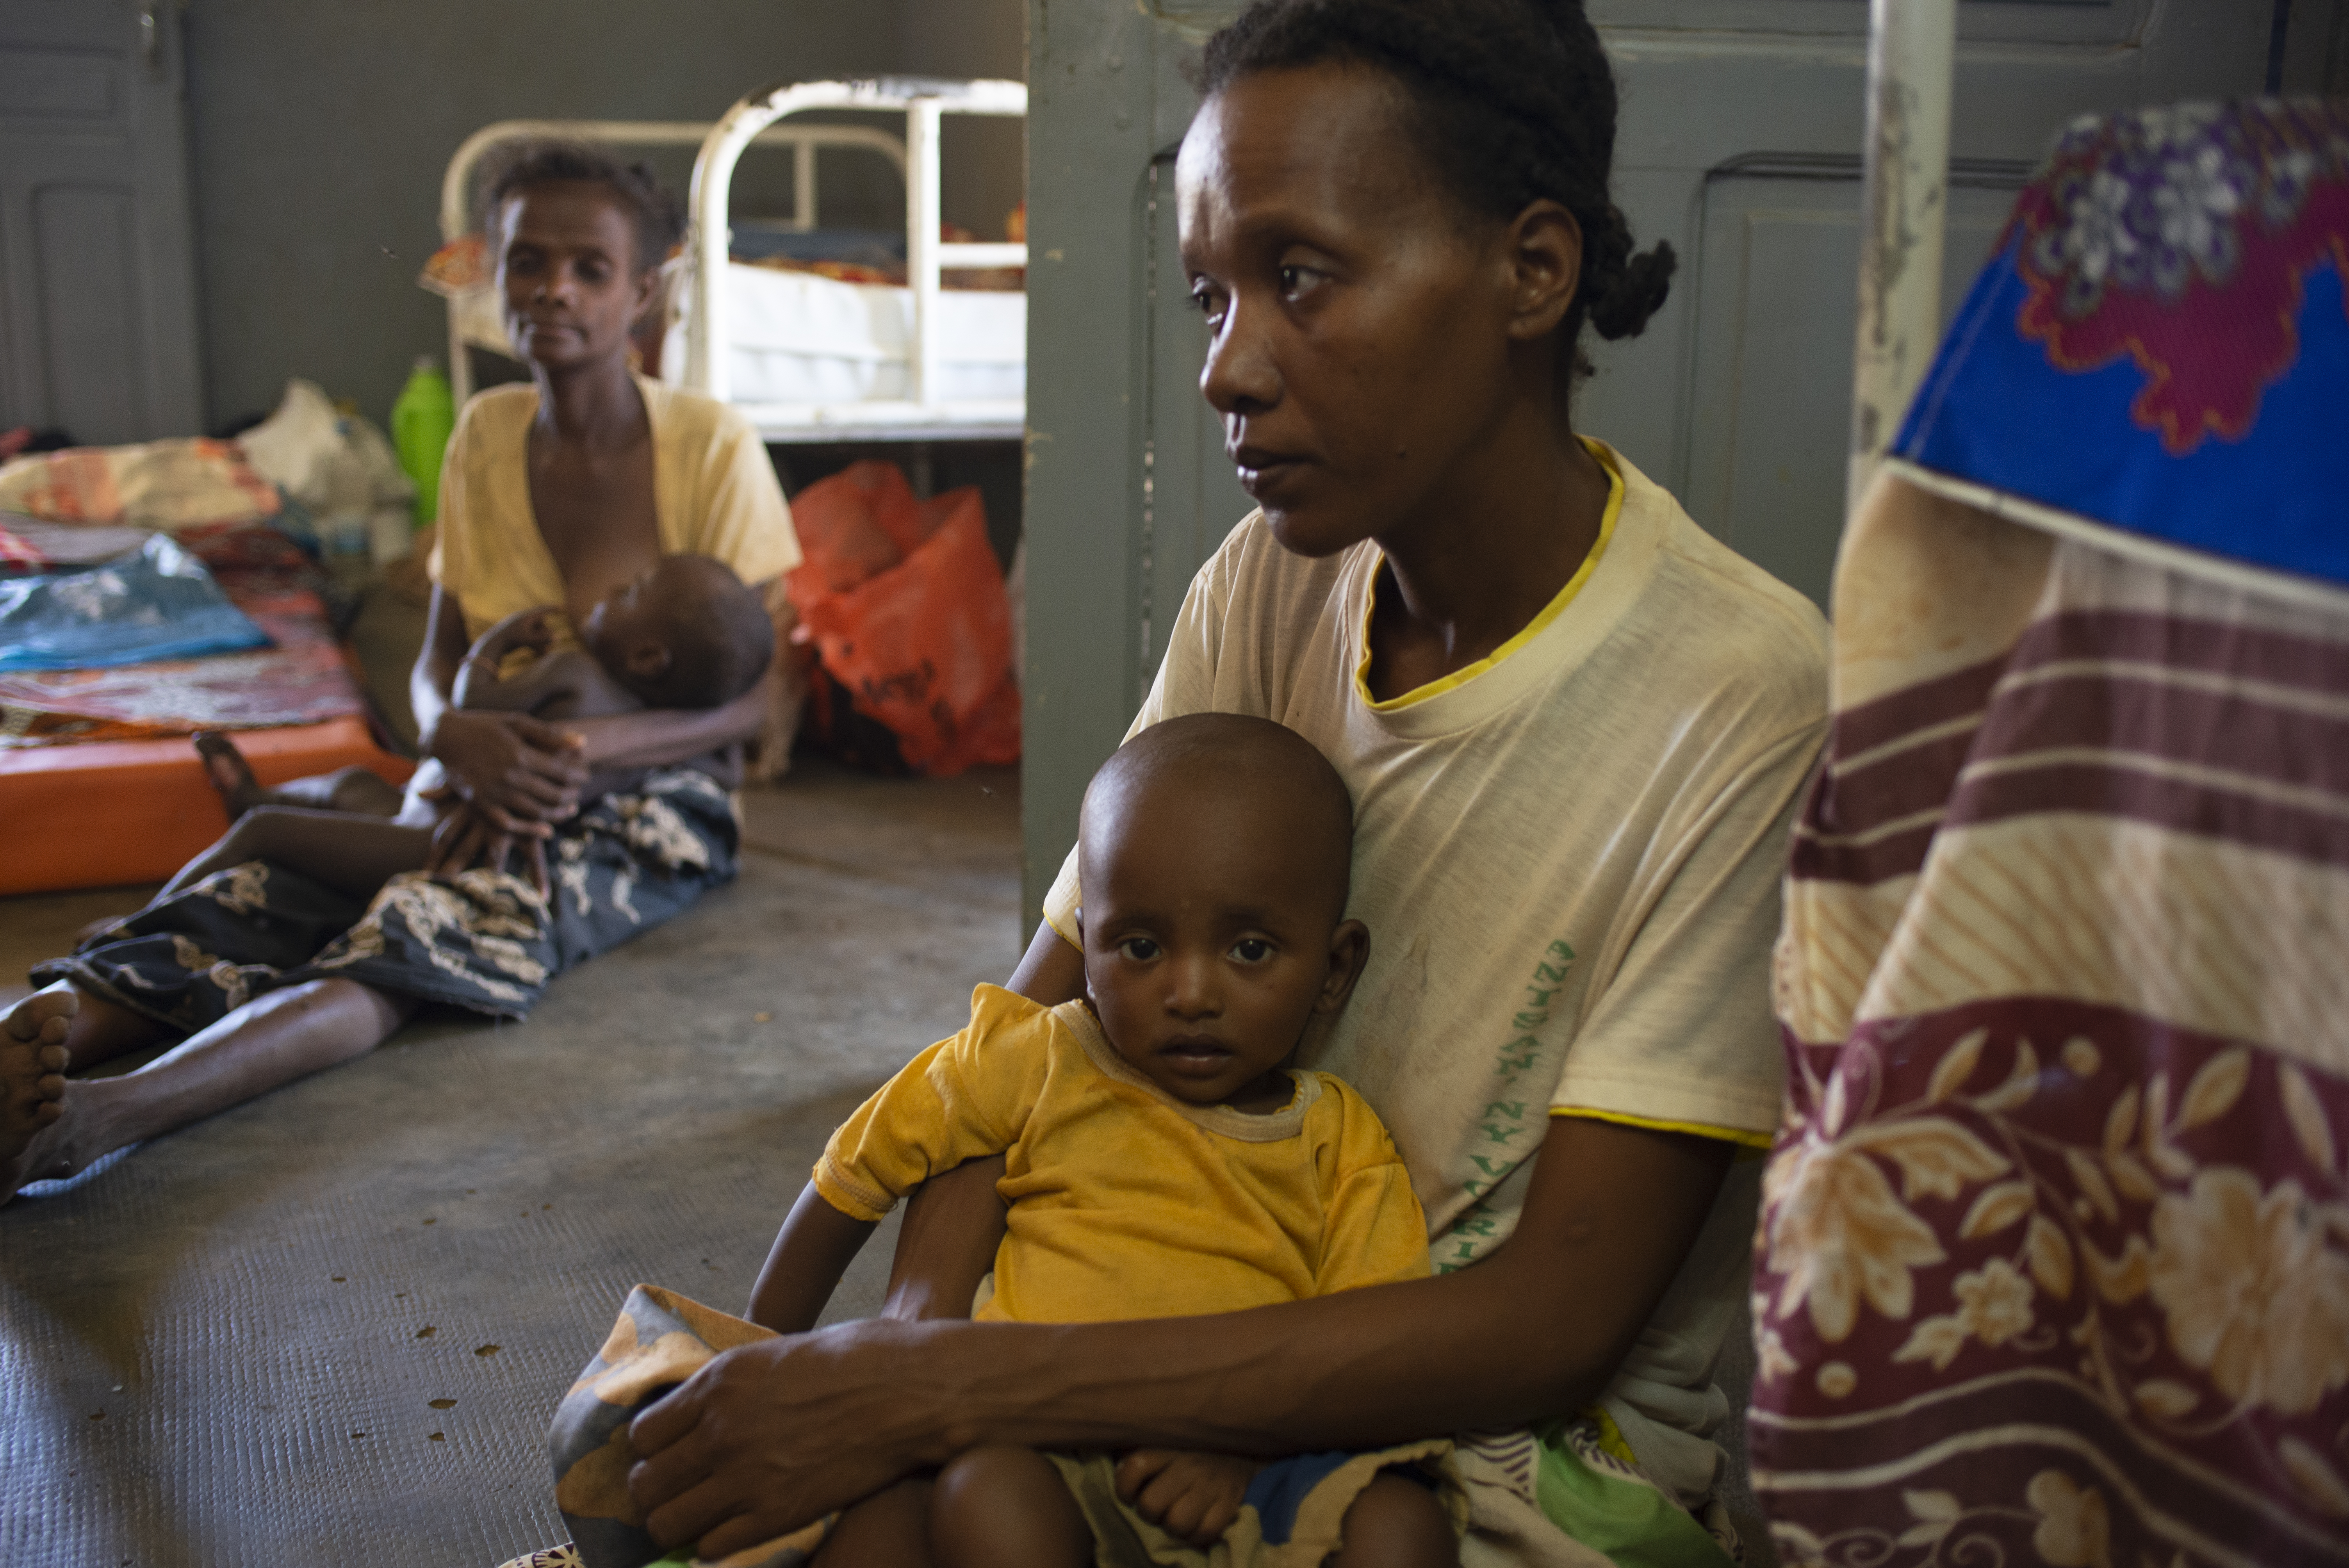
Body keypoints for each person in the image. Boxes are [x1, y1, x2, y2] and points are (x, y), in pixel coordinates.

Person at [614, 4, 1828, 1566]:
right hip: (1150, 1352)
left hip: (1503, 1455)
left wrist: (942, 1377)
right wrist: (899, 1356)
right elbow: (1038, 1030)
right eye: (1209, 293)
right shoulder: (1271, 582)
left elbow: (1550, 1324)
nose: (1226, 368)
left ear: (1534, 270)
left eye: (1300, 278)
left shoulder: (1737, 688)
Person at [0, 142, 799, 1206]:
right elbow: (438, 656)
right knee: (270, 888)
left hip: (651, 788)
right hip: (480, 761)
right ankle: (41, 1043)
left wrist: (574, 753)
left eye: (590, 269)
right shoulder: (485, 434)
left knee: (421, 921)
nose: (553, 290)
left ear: (643, 290)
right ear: (494, 274)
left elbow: (756, 695)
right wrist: (448, 734)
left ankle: (99, 1119)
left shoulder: (710, 444)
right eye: (527, 262)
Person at [733, 713, 1455, 1568]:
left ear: (1333, 970)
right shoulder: (1036, 1058)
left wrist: (1249, 1445)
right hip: (1049, 1460)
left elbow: (1369, 1344)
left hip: (1253, 1468)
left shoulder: (1339, 1136)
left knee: (1401, 1530)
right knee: (979, 1493)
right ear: (1088, 941)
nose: (1189, 991)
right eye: (1140, 946)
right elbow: (848, 1180)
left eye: (1250, 948)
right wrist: (751, 1368)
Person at [168, 553, 775, 902]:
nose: (615, 589)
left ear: (648, 658)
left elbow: (470, 707)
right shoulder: (665, 738)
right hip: (448, 829)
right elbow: (723, 764)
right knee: (354, 786)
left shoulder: (574, 675)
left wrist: (496, 642)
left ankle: (139, 922)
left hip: (434, 843)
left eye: (633, 592)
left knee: (266, 833)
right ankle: (254, 794)